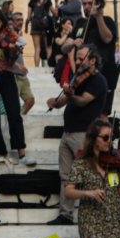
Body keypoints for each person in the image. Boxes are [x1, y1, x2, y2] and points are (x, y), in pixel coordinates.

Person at [46, 44, 109, 226]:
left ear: (93, 60)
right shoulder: (77, 78)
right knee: (66, 176)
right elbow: (63, 101)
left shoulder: (98, 80)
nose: (78, 62)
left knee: (88, 176)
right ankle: (65, 215)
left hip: (84, 133)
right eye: (78, 58)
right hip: (68, 133)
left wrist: (70, 95)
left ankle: (94, 216)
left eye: (81, 59)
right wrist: (55, 102)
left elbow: (81, 101)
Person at [0, 8, 34, 166]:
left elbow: (11, 62)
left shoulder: (9, 38)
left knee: (14, 114)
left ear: (3, 22)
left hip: (8, 75)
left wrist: (12, 52)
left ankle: (22, 153)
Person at [61, 0, 119, 118]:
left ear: (98, 4)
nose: (86, 7)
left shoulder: (107, 21)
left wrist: (98, 17)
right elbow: (64, 48)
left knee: (102, 111)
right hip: (83, 73)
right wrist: (72, 43)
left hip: (103, 71)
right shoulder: (80, 23)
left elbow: (107, 39)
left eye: (90, 3)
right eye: (84, 4)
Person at [11, 13, 36, 115]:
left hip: (22, 76)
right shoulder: (10, 37)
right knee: (13, 103)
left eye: (22, 20)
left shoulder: (18, 37)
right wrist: (18, 65)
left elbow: (24, 43)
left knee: (30, 100)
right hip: (13, 75)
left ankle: (18, 117)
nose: (21, 22)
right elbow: (5, 57)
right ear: (12, 22)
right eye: (18, 20)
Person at [24, 0, 53, 67]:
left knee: (37, 48)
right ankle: (50, 66)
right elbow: (55, 13)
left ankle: (36, 68)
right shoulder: (48, 1)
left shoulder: (31, 3)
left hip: (35, 26)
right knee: (48, 48)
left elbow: (29, 17)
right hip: (46, 25)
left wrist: (26, 26)